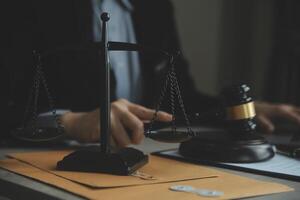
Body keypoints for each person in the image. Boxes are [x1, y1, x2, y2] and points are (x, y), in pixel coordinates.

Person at [3, 0, 300, 147]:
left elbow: (179, 99)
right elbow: (9, 106)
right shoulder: (28, 9)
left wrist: (240, 110)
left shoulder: (153, 7)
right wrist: (69, 121)